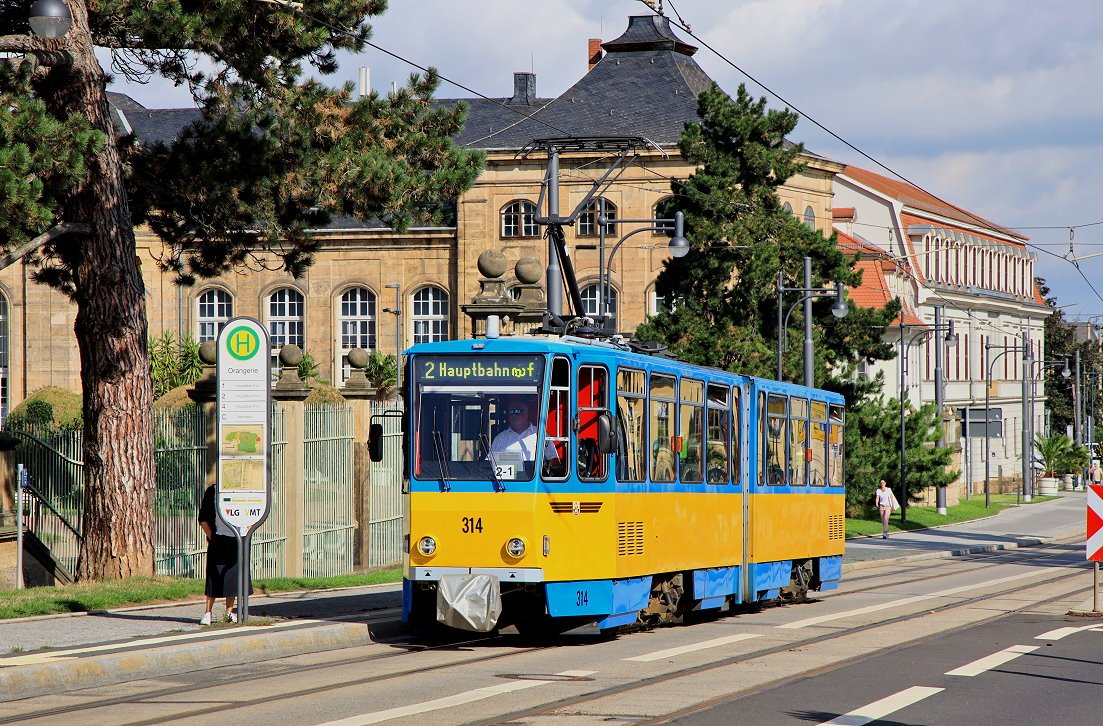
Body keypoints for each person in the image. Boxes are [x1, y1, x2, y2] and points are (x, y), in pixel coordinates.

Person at [197, 485, 251, 625]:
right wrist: (213, 538)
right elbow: (203, 519)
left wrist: (247, 531)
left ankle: (228, 612)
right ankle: (207, 613)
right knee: (213, 575)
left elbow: (253, 515)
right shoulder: (213, 491)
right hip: (220, 538)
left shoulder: (245, 490)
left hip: (239, 538)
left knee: (234, 576)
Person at [490, 396, 553, 462]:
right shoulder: (500, 438)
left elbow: (553, 459)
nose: (514, 415)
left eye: (518, 411)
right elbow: (489, 462)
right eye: (511, 412)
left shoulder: (540, 435)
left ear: (526, 413)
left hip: (533, 472)